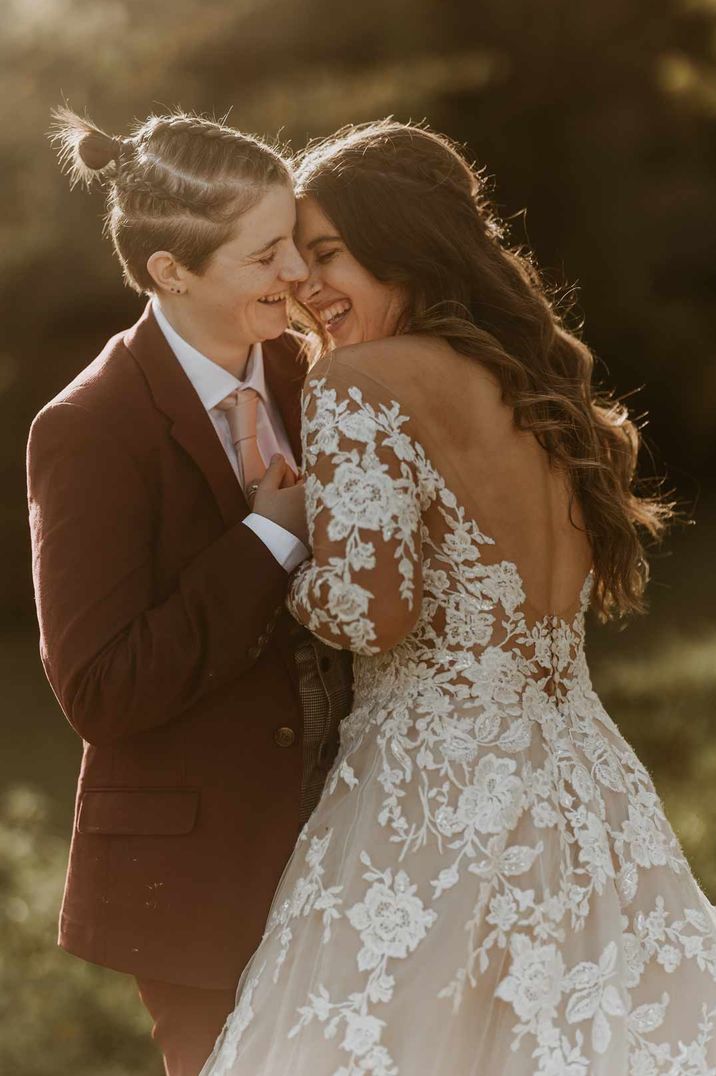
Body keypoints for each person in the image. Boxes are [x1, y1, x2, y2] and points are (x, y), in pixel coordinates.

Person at [202, 121, 716, 1075]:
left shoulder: (356, 383)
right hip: (578, 777)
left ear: (403, 244)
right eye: (296, 259)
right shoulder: (532, 384)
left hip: (432, 791)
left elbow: (374, 610)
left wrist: (280, 536)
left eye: (329, 255)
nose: (307, 288)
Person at [27, 108, 353, 1076]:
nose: (298, 272)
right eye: (264, 256)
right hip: (201, 874)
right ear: (172, 270)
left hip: (362, 835)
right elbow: (100, 688)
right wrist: (264, 537)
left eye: (293, 237)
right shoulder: (89, 426)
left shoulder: (319, 372)